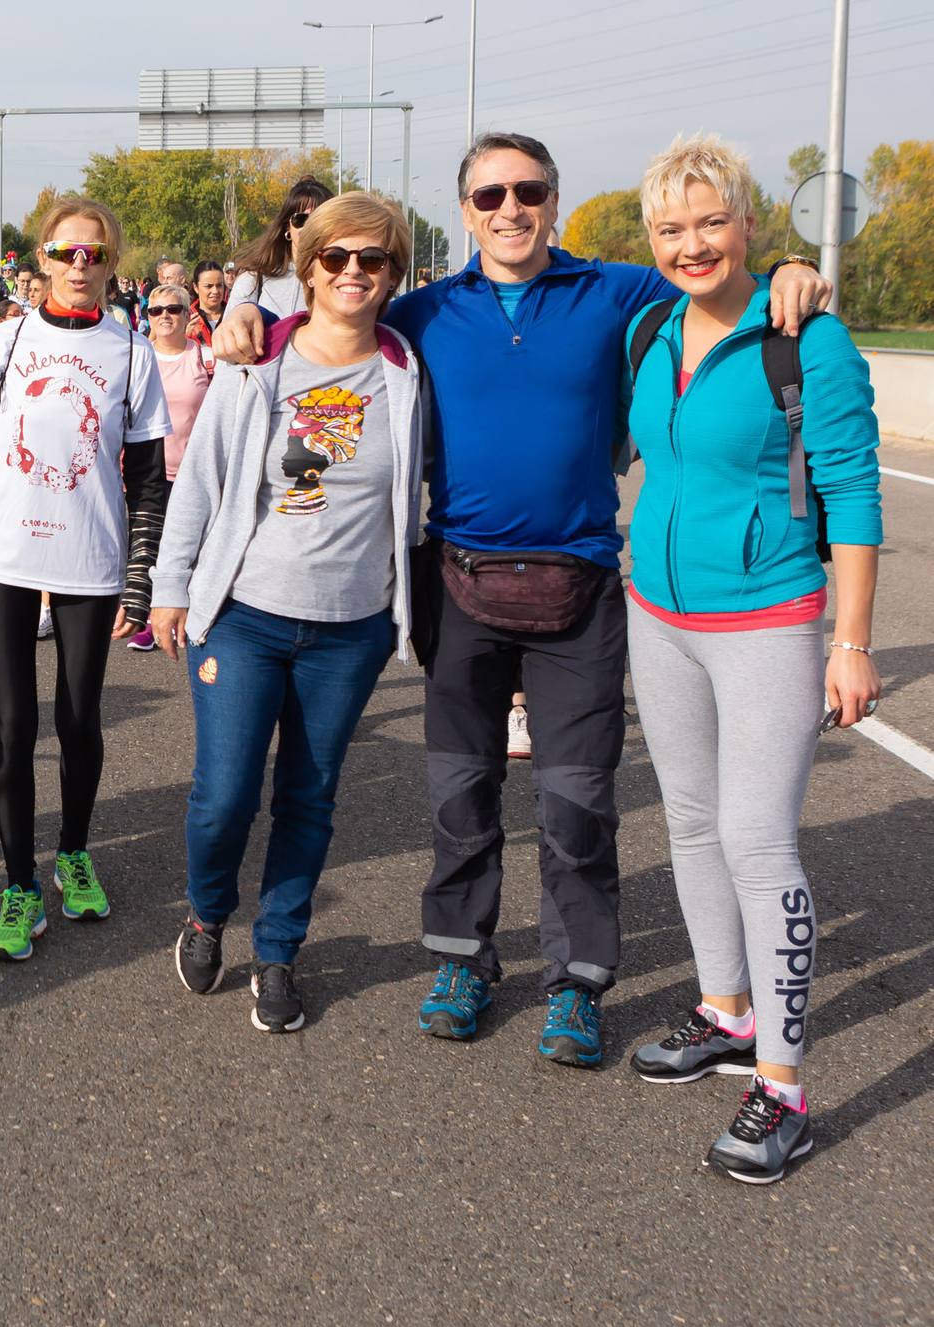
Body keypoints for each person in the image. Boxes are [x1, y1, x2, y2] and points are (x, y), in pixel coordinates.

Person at [215, 132, 828, 1063]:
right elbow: (327, 319)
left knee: (576, 801)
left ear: (552, 200)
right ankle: (463, 957)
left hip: (578, 584)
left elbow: (715, 279)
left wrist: (792, 266)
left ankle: (578, 981)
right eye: (490, 195)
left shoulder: (617, 295)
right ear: (464, 212)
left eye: (528, 191)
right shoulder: (422, 312)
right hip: (457, 580)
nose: (510, 209)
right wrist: (246, 320)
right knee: (460, 793)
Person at [618, 135, 882, 1184]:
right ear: (652, 240)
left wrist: (851, 644)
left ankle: (783, 1087)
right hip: (659, 613)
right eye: (672, 228)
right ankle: (725, 1011)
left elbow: (855, 495)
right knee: (687, 820)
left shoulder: (806, 339)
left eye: (711, 222)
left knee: (756, 843)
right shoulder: (649, 327)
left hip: (770, 616)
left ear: (749, 226)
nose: (693, 244)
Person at [150, 193, 426, 1034]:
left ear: (392, 274)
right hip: (246, 612)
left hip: (351, 627)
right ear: (305, 268)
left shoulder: (408, 369)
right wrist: (170, 586)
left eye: (371, 260)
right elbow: (199, 480)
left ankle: (278, 950)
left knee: (308, 796)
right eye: (335, 257)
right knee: (225, 794)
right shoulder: (256, 362)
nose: (352, 272)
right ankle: (205, 915)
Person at [0, 197, 172, 960]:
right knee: (12, 724)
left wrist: (139, 579)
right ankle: (18, 884)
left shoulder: (132, 352)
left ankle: (75, 853)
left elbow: (149, 478)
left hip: (90, 558)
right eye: (65, 254)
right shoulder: (1, 342)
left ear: (111, 262)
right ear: (41, 261)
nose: (79, 267)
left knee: (80, 719)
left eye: (93, 255)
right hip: (4, 557)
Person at [125, 281, 216, 652]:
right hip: (147, 470)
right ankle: (150, 621)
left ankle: (197, 619)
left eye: (172, 310)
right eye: (155, 311)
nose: (164, 317)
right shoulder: (136, 356)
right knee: (151, 546)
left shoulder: (207, 358)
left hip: (194, 471)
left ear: (186, 313)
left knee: (196, 548)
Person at [229, 177, 332, 319]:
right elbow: (229, 334)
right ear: (287, 226)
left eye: (318, 220)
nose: (309, 227)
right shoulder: (253, 279)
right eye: (301, 219)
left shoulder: (341, 282)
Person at [190, 261, 230, 346]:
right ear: (196, 287)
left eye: (219, 285)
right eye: (208, 286)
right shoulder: (186, 317)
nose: (215, 291)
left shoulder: (233, 314)